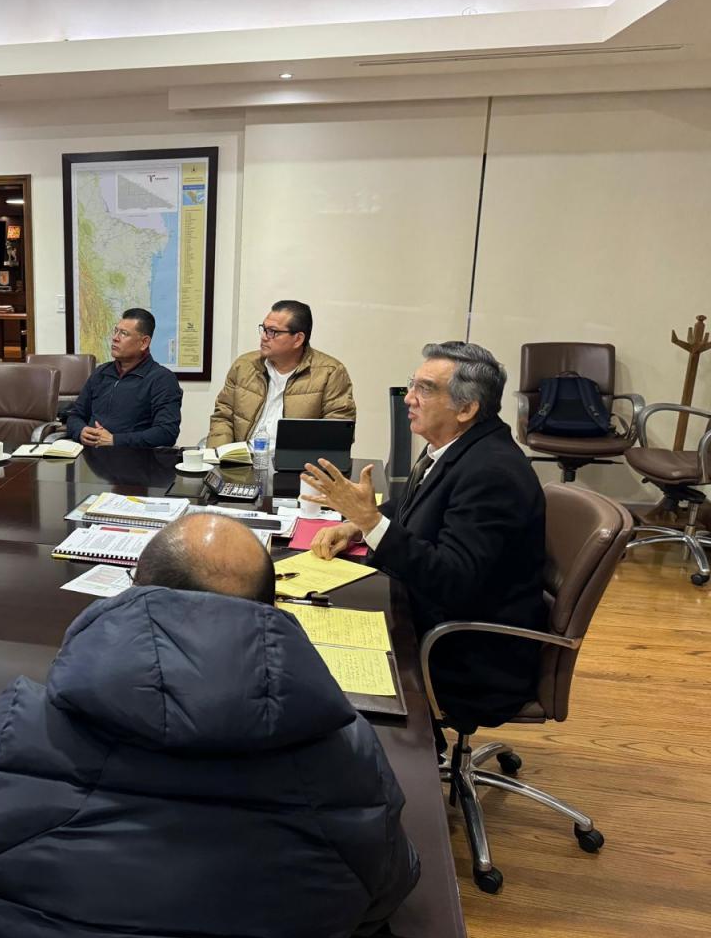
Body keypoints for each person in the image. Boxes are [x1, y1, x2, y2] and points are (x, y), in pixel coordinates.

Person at [0, 513, 420, 938]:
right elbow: (382, 899)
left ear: (134, 591)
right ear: (270, 607)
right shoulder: (350, 753)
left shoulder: (21, 726)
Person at [303, 341, 546, 731]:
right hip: (427, 618)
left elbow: (452, 579)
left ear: (466, 409)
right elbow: (412, 507)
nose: (409, 398)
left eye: (425, 389)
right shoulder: (454, 447)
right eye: (412, 384)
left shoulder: (492, 473)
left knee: (314, 666)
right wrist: (355, 525)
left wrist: (370, 522)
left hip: (466, 657)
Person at [207, 299, 355, 448]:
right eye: (264, 329)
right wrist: (218, 454)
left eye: (273, 332)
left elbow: (337, 432)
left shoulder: (330, 373)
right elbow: (223, 417)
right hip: (240, 458)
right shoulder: (244, 366)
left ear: (298, 339)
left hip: (296, 462)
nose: (264, 337)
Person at [65, 308, 183, 448]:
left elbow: (167, 432)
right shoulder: (101, 373)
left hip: (134, 457)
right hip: (90, 455)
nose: (115, 338)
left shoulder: (161, 379)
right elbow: (75, 415)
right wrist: (81, 431)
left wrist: (115, 440)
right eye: (116, 331)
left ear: (144, 343)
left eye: (124, 334)